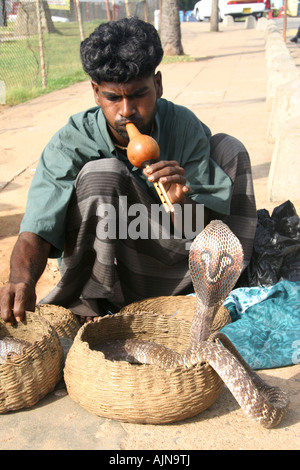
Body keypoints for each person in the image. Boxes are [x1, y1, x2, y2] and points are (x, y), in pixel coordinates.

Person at [0, 17, 257, 325]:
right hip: (118, 273)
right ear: (96, 93)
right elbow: (37, 229)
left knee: (230, 147)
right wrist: (22, 279)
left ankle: (226, 286)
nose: (126, 111)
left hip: (178, 265)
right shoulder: (70, 143)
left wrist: (181, 204)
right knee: (103, 173)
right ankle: (92, 306)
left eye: (138, 94)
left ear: (158, 85)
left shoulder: (183, 125)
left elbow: (200, 229)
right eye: (113, 97)